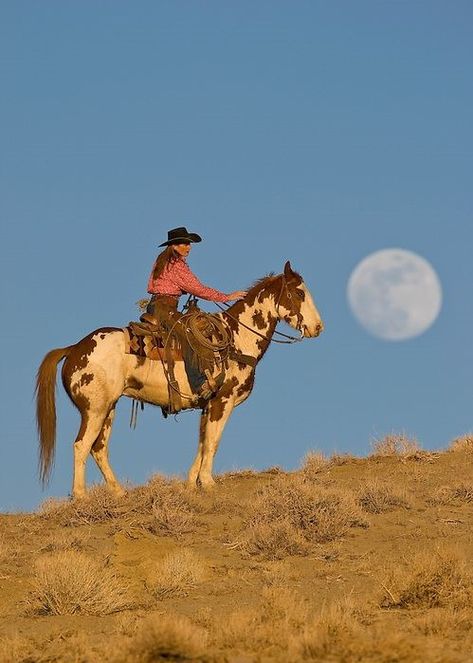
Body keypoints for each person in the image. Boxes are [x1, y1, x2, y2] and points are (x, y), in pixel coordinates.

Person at [140, 226, 247, 399]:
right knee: (190, 335)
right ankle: (199, 383)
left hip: (160, 306)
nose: (189, 247)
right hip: (164, 308)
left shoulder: (163, 260)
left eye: (189, 243)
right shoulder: (176, 265)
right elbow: (197, 289)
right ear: (174, 246)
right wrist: (226, 297)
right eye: (185, 243)